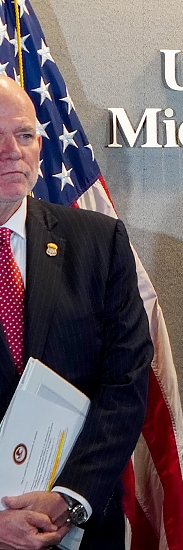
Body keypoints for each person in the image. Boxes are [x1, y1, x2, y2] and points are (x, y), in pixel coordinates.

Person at [0, 74, 153, 549]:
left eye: (24, 135)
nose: (13, 151)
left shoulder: (98, 242)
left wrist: (71, 496)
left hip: (79, 531)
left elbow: (126, 382)